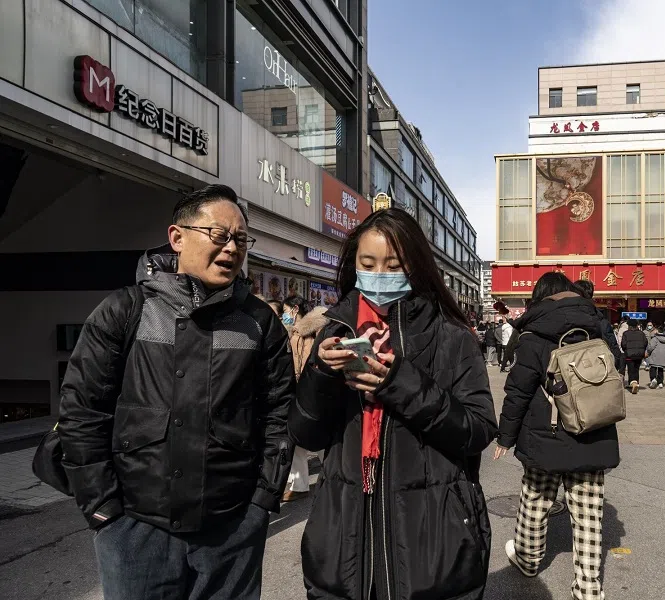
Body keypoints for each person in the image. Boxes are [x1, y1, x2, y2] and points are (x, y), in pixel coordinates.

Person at [57, 184, 294, 599]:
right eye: (219, 235)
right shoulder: (124, 310)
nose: (232, 248)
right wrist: (104, 510)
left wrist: (262, 500)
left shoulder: (259, 321)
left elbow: (279, 414)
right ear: (177, 237)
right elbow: (82, 413)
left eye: (241, 239)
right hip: (135, 527)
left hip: (232, 527)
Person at [288, 208, 497, 600]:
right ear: (354, 265)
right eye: (368, 264)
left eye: (393, 264)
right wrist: (321, 373)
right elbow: (305, 433)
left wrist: (399, 383)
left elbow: (478, 430)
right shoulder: (334, 334)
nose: (379, 274)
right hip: (343, 537)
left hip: (431, 536)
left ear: (416, 266)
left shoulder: (452, 337)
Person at [495, 272, 619, 599]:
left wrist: (505, 436)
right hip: (593, 429)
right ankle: (588, 588)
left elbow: (518, 392)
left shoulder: (533, 337)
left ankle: (528, 559)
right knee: (589, 515)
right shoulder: (598, 328)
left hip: (545, 436)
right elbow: (616, 368)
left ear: (540, 298)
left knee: (535, 501)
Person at [281, 296, 328, 502]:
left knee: (316, 438)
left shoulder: (316, 330)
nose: (284, 314)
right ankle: (299, 485)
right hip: (293, 391)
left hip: (311, 391)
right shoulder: (292, 331)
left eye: (285, 310)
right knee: (297, 438)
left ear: (295, 309)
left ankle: (335, 472)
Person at [572, 279, 624, 371]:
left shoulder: (567, 318)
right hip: (600, 371)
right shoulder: (601, 320)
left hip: (574, 370)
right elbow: (614, 349)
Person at [621, 320, 649, 394]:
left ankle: (633, 383)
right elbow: (645, 343)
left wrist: (626, 350)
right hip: (639, 355)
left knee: (631, 370)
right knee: (636, 369)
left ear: (629, 326)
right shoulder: (641, 333)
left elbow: (623, 344)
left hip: (629, 355)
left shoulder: (626, 333)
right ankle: (635, 383)